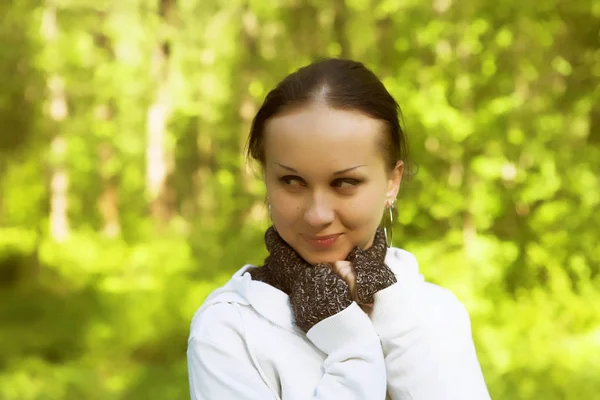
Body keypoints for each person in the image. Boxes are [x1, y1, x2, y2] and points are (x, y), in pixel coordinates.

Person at [187, 58, 491, 399]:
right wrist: (354, 350)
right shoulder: (229, 331)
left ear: (392, 181)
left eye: (345, 182)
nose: (317, 215)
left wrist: (388, 305)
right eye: (292, 181)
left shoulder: (435, 313)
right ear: (266, 179)